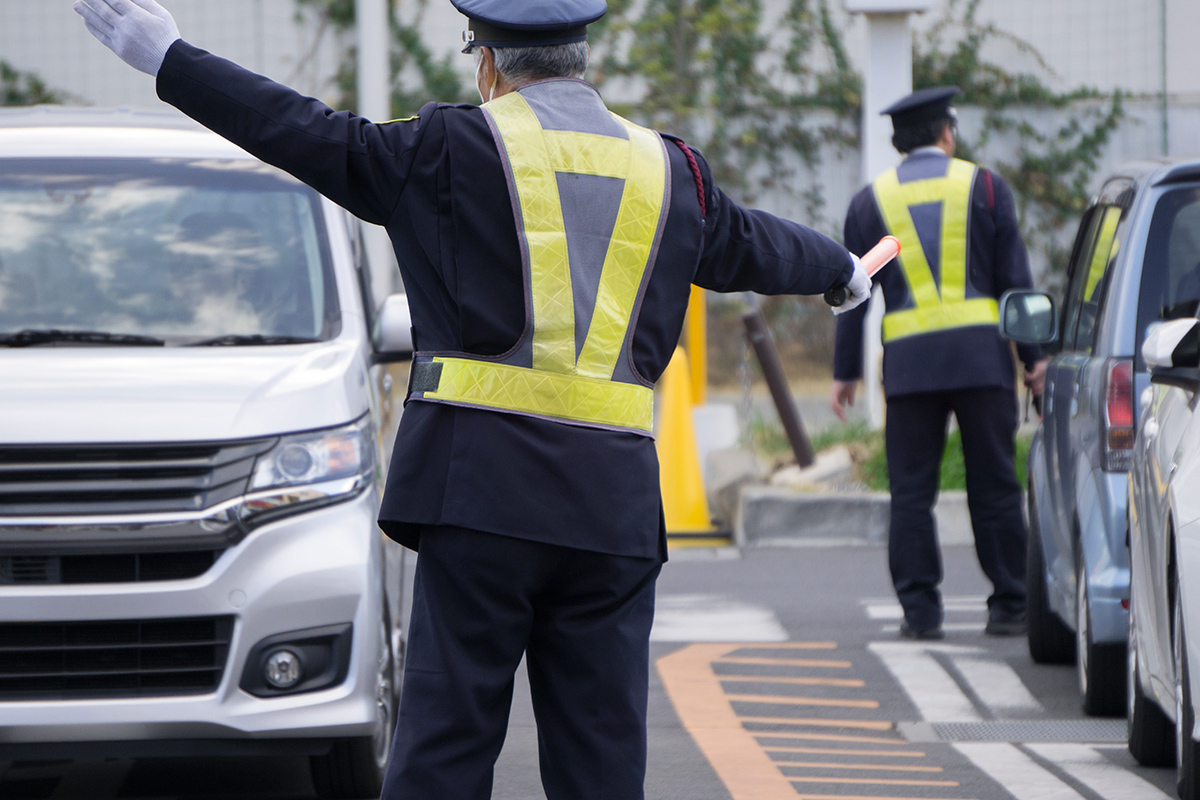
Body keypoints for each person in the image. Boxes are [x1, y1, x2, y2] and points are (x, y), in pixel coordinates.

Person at [74, 0, 870, 797]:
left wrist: (171, 59)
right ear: (580, 57)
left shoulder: (446, 147)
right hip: (613, 514)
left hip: (479, 500)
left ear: (487, 62)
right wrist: (841, 269)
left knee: (445, 754)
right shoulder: (670, 169)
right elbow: (758, 244)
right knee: (601, 766)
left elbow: (304, 131)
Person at [830, 86, 1046, 641]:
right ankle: (1010, 606)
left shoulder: (868, 202)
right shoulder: (987, 188)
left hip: (910, 371)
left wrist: (844, 371)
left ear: (900, 142)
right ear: (947, 134)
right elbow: (1015, 284)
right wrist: (1034, 360)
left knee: (911, 493)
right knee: (995, 486)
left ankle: (921, 614)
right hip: (981, 366)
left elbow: (853, 290)